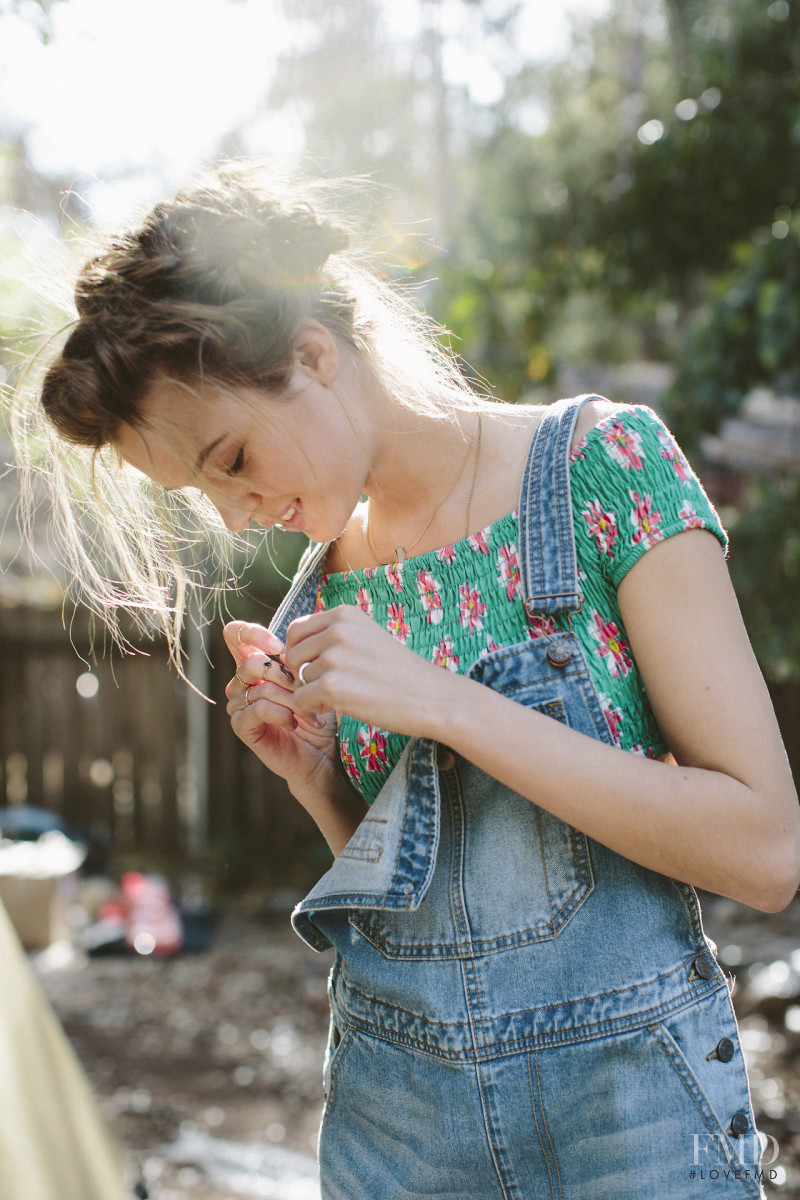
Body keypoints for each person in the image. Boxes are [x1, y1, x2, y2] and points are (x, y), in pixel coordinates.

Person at [19, 159, 799, 1199]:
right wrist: (318, 783)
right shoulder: (318, 603)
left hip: (634, 1124)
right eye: (199, 492)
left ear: (312, 354)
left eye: (232, 456)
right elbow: (429, 932)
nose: (235, 512)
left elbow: (762, 851)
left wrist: (439, 701)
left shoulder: (599, 470)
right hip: (398, 1129)